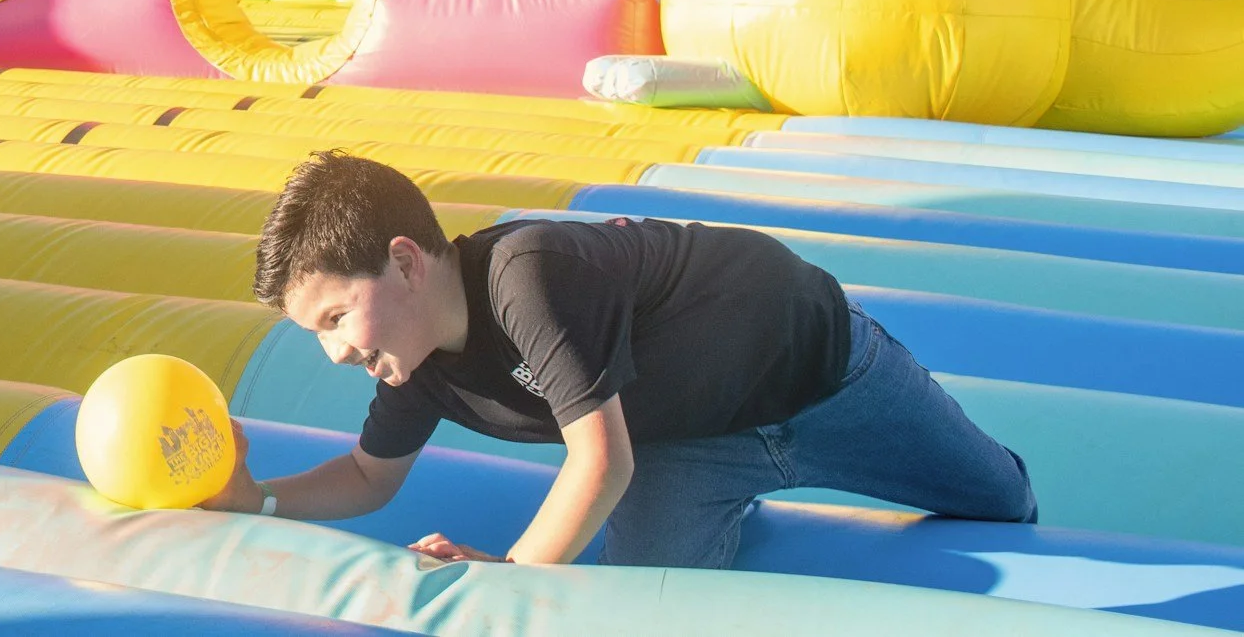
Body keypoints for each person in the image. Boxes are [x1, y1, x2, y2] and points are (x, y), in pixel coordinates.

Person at [206, 150, 1036, 569]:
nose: (338, 348)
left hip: (823, 374)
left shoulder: (526, 273)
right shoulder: (414, 360)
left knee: (1003, 501)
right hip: (682, 448)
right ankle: (733, 504)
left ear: (407, 261)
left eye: (337, 314)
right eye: (315, 329)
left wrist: (513, 583)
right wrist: (256, 500)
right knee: (640, 600)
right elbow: (367, 476)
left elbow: (598, 462)